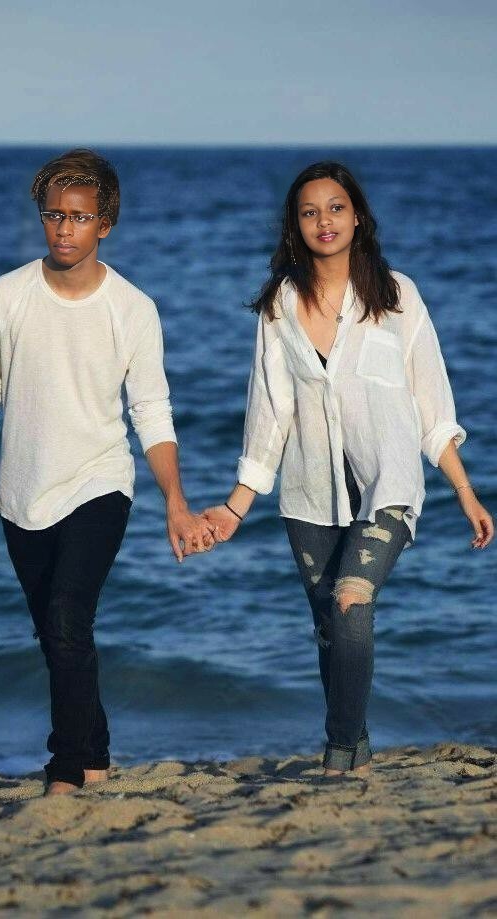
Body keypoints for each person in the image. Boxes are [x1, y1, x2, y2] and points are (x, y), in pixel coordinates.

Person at [202, 161, 494, 777]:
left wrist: (464, 491)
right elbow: (270, 413)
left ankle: (337, 756)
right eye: (309, 212)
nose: (324, 221)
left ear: (357, 216)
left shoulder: (397, 295)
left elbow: (432, 404)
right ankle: (356, 750)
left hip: (389, 487)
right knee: (331, 632)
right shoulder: (279, 307)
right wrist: (235, 507)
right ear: (295, 225)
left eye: (335, 208)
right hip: (309, 494)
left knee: (351, 602)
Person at [0, 148, 215, 796]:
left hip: (100, 483)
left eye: (78, 217)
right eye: (53, 215)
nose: (64, 228)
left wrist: (175, 501)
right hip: (21, 492)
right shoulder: (6, 296)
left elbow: (151, 410)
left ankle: (66, 769)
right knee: (56, 633)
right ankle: (95, 754)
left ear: (105, 224)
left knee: (67, 617)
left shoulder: (132, 308)